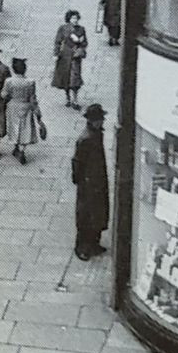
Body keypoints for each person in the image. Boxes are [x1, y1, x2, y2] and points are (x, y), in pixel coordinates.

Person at [71, 104, 111, 259]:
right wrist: (79, 180)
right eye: (99, 119)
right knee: (86, 216)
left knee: (98, 214)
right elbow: (77, 162)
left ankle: (94, 243)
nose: (102, 122)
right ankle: (82, 247)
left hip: (98, 180)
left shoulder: (96, 134)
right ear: (92, 121)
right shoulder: (86, 138)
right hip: (88, 183)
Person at [3, 57, 45, 165]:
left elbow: (4, 95)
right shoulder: (30, 82)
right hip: (26, 107)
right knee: (25, 128)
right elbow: (33, 99)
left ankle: (16, 146)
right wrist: (38, 114)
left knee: (14, 127)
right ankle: (22, 149)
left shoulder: (9, 81)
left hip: (13, 107)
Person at [52, 9, 89, 108]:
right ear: (69, 19)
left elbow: (85, 43)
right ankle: (67, 98)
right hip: (64, 56)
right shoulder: (63, 28)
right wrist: (56, 54)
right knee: (65, 78)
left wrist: (81, 42)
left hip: (76, 57)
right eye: (73, 18)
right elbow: (57, 42)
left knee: (75, 79)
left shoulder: (81, 29)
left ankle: (75, 100)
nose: (75, 20)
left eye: (76, 18)